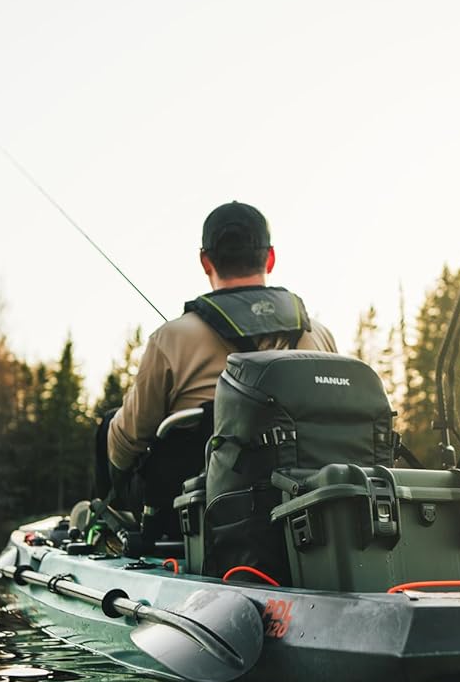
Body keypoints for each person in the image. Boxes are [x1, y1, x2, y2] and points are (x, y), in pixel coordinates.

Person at [104, 201, 336, 535]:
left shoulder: (170, 339)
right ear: (269, 257)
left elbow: (125, 444)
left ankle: (110, 532)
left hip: (199, 522)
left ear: (205, 261)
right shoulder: (320, 335)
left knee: (111, 425)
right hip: (307, 516)